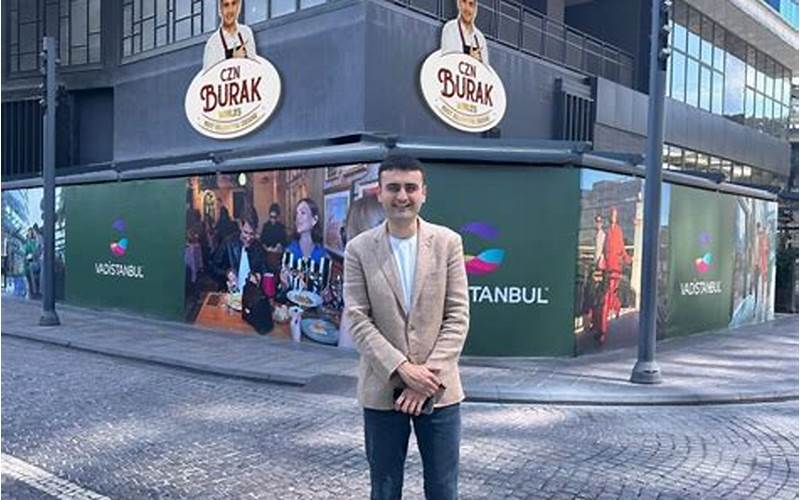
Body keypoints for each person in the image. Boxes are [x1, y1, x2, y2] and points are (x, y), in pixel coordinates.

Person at [344, 155, 470, 500]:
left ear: (423, 193)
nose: (402, 196)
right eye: (394, 188)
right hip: (382, 389)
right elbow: (358, 319)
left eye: (411, 188)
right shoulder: (358, 250)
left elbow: (457, 316)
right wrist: (402, 369)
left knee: (443, 489)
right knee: (384, 489)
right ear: (380, 193)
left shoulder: (448, 243)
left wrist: (424, 380)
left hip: (439, 391)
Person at [279, 198, 331, 295]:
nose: (298, 217)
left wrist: (327, 294)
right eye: (296, 214)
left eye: (303, 213)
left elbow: (324, 292)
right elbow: (283, 291)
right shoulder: (289, 253)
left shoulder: (324, 257)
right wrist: (283, 283)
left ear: (314, 220)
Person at [597, 207, 631, 343]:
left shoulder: (618, 231)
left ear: (617, 217)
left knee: (609, 295)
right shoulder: (607, 232)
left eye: (615, 215)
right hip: (607, 269)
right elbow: (604, 248)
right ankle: (603, 328)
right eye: (611, 215)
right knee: (607, 296)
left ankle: (604, 327)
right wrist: (602, 260)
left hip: (615, 268)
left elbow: (621, 247)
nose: (613, 217)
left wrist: (627, 258)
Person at [212, 211, 268, 292]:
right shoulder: (228, 243)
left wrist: (258, 276)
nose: (248, 238)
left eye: (252, 234)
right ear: (240, 227)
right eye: (245, 232)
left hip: (251, 294)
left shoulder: (258, 247)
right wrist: (227, 273)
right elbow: (213, 268)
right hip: (229, 292)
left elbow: (265, 271)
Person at [202, 0, 258, 71]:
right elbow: (209, 75)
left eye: (233, 4)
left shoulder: (246, 33)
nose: (230, 10)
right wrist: (233, 60)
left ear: (238, 7)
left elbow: (254, 66)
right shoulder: (213, 43)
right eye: (226, 5)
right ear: (220, 10)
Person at [440, 0, 489, 65]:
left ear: (475, 9)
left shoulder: (480, 38)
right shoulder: (450, 29)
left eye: (471, 4)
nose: (467, 8)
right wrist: (470, 59)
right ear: (459, 4)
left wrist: (479, 62)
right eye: (464, 2)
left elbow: (485, 68)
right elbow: (448, 61)